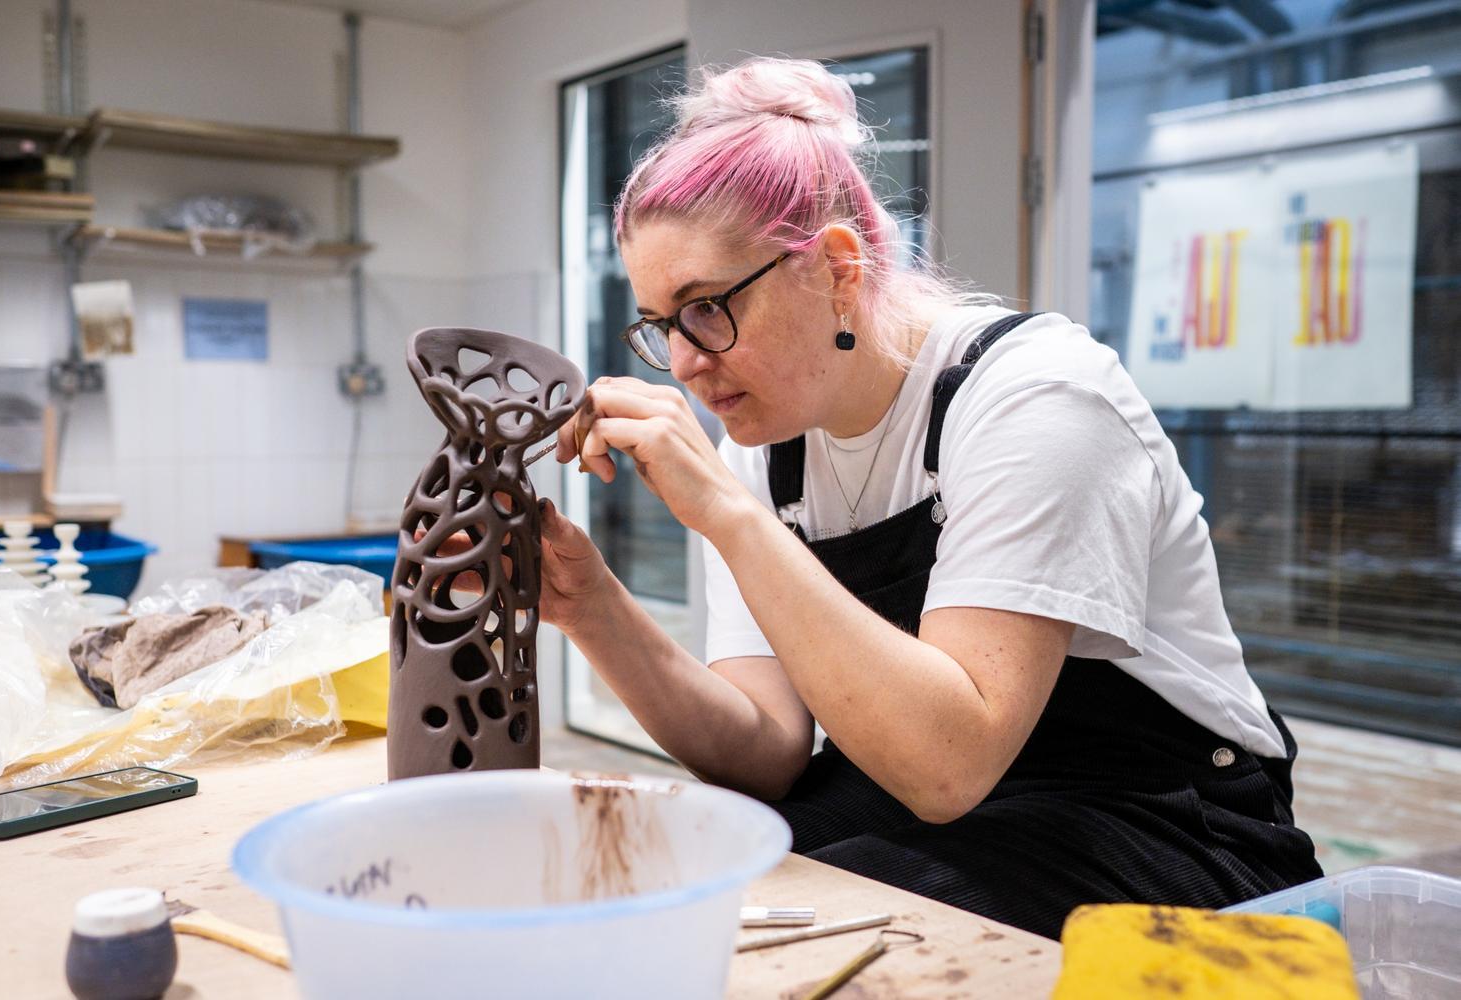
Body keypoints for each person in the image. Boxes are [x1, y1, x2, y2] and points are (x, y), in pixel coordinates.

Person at [535, 56, 1322, 940]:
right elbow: (767, 754)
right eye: (660, 324)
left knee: (810, 932)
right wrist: (592, 608)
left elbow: (950, 766)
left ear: (836, 268)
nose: (683, 362)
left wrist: (729, 516)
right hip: (924, 784)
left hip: (1160, 811)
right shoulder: (767, 443)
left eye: (707, 308)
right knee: (681, 882)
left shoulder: (1037, 395)